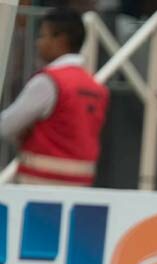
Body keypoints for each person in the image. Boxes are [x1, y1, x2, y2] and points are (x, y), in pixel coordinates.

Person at [0, 7, 109, 186]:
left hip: (38, 187)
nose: (38, 43)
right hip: (80, 188)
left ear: (61, 40)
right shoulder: (96, 88)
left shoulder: (49, 82)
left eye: (43, 36)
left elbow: (7, 125)